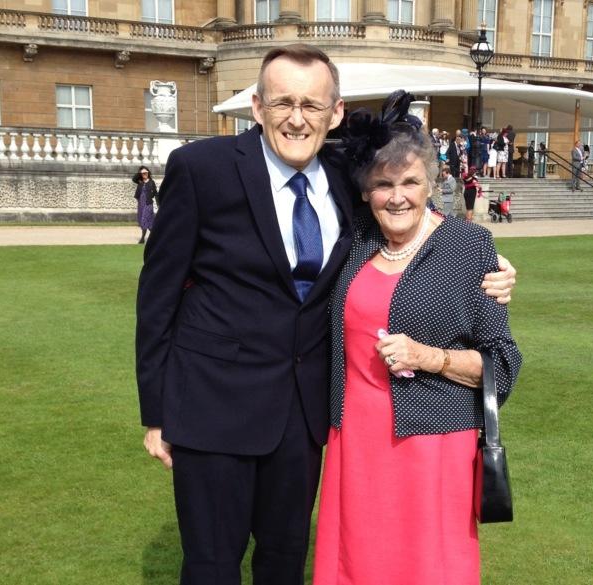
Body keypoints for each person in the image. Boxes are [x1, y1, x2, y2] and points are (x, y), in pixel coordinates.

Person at [135, 44, 520, 585]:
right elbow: (157, 293)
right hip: (211, 408)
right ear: (257, 106)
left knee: (283, 561)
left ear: (335, 113)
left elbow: (407, 200)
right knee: (211, 566)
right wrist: (156, 412)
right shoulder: (202, 168)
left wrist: (485, 259)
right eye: (283, 102)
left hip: (303, 415)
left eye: (312, 105)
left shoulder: (345, 174)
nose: (297, 118)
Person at [313, 90, 522, 585]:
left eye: (410, 181)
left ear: (431, 183)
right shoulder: (358, 237)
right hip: (354, 435)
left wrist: (429, 356)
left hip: (432, 445)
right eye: (383, 184)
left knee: (426, 566)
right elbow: (318, 155)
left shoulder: (469, 246)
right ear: (365, 191)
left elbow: (502, 363)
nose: (398, 195)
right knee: (357, 560)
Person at [132, 165, 158, 244]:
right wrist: (140, 171)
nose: (144, 174)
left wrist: (151, 197)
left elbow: (155, 193)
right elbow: (134, 179)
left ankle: (142, 238)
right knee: (148, 222)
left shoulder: (151, 182)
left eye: (146, 173)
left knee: (144, 220)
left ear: (148, 173)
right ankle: (155, 237)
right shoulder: (140, 182)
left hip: (148, 204)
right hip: (141, 204)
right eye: (143, 173)